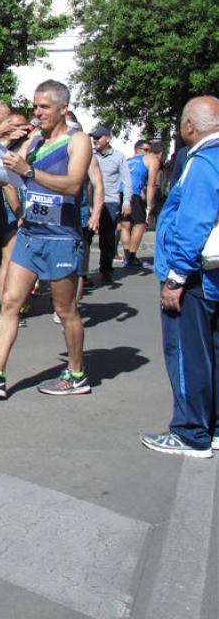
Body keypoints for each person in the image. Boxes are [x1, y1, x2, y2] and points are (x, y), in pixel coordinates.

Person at [0, 80, 92, 399]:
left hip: (61, 236)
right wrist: (0, 147)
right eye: (35, 106)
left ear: (63, 108)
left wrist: (29, 172)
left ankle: (76, 373)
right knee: (9, 302)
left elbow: (73, 185)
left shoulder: (79, 141)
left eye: (45, 107)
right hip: (31, 232)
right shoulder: (33, 141)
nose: (38, 113)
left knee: (65, 310)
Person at [141, 96, 219, 458]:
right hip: (211, 276)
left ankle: (190, 432)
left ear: (190, 127)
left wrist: (175, 278)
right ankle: (211, 426)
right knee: (212, 352)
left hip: (195, 276)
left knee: (188, 353)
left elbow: (193, 223)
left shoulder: (203, 161)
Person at [88, 125, 133, 284]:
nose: (95, 140)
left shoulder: (119, 156)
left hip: (110, 202)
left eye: (98, 137)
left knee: (107, 240)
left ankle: (106, 269)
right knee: (85, 237)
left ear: (108, 138)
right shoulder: (89, 154)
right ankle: (83, 273)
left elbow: (127, 180)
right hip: (90, 202)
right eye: (93, 137)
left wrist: (126, 201)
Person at [120, 139, 160, 268]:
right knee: (140, 225)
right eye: (147, 150)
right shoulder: (151, 160)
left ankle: (127, 256)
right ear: (138, 150)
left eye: (151, 150)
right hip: (133, 193)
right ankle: (131, 258)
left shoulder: (128, 161)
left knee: (126, 225)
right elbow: (151, 184)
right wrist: (149, 205)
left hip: (121, 192)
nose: (150, 153)